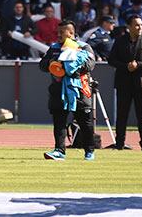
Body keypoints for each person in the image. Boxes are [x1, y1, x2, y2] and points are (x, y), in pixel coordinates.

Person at [38, 20, 97, 161]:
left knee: (85, 122)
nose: (57, 35)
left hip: (79, 91)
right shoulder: (54, 48)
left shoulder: (83, 47)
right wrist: (52, 63)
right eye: (57, 32)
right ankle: (59, 151)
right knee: (59, 122)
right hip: (58, 91)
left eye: (61, 32)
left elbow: (90, 65)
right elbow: (42, 65)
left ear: (71, 33)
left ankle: (89, 150)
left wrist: (68, 69)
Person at [108, 15, 142, 151]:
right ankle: (119, 144)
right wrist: (126, 66)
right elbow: (111, 60)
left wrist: (139, 65)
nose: (140, 28)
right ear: (129, 27)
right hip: (123, 83)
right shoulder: (120, 41)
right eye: (137, 25)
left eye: (141, 25)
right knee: (122, 115)